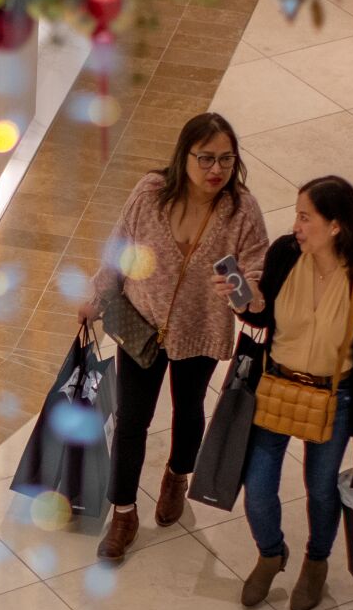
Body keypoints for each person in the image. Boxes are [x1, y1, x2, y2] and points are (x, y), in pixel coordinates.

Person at [78, 111, 267, 561]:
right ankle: (123, 512)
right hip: (140, 324)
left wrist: (246, 292)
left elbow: (257, 274)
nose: (216, 170)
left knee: (189, 410)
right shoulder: (151, 193)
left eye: (225, 159)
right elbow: (119, 247)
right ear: (184, 157)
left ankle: (177, 475)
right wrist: (97, 295)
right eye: (205, 159)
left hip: (200, 329)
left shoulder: (242, 210)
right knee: (130, 421)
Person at [229, 176, 353, 610]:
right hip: (277, 388)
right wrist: (246, 304)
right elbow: (264, 323)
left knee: (321, 489)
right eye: (297, 215)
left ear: (336, 225)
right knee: (258, 487)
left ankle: (316, 562)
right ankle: (271, 553)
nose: (296, 226)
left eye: (306, 217)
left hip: (336, 398)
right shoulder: (286, 253)